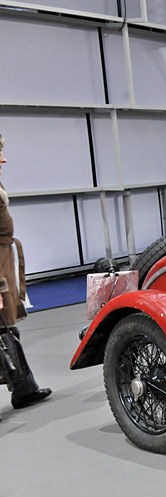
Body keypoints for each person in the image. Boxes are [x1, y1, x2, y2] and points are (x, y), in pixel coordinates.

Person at [0, 134, 52, 413]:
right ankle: (23, 387)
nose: (3, 159)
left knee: (6, 329)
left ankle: (24, 387)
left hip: (3, 263)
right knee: (2, 329)